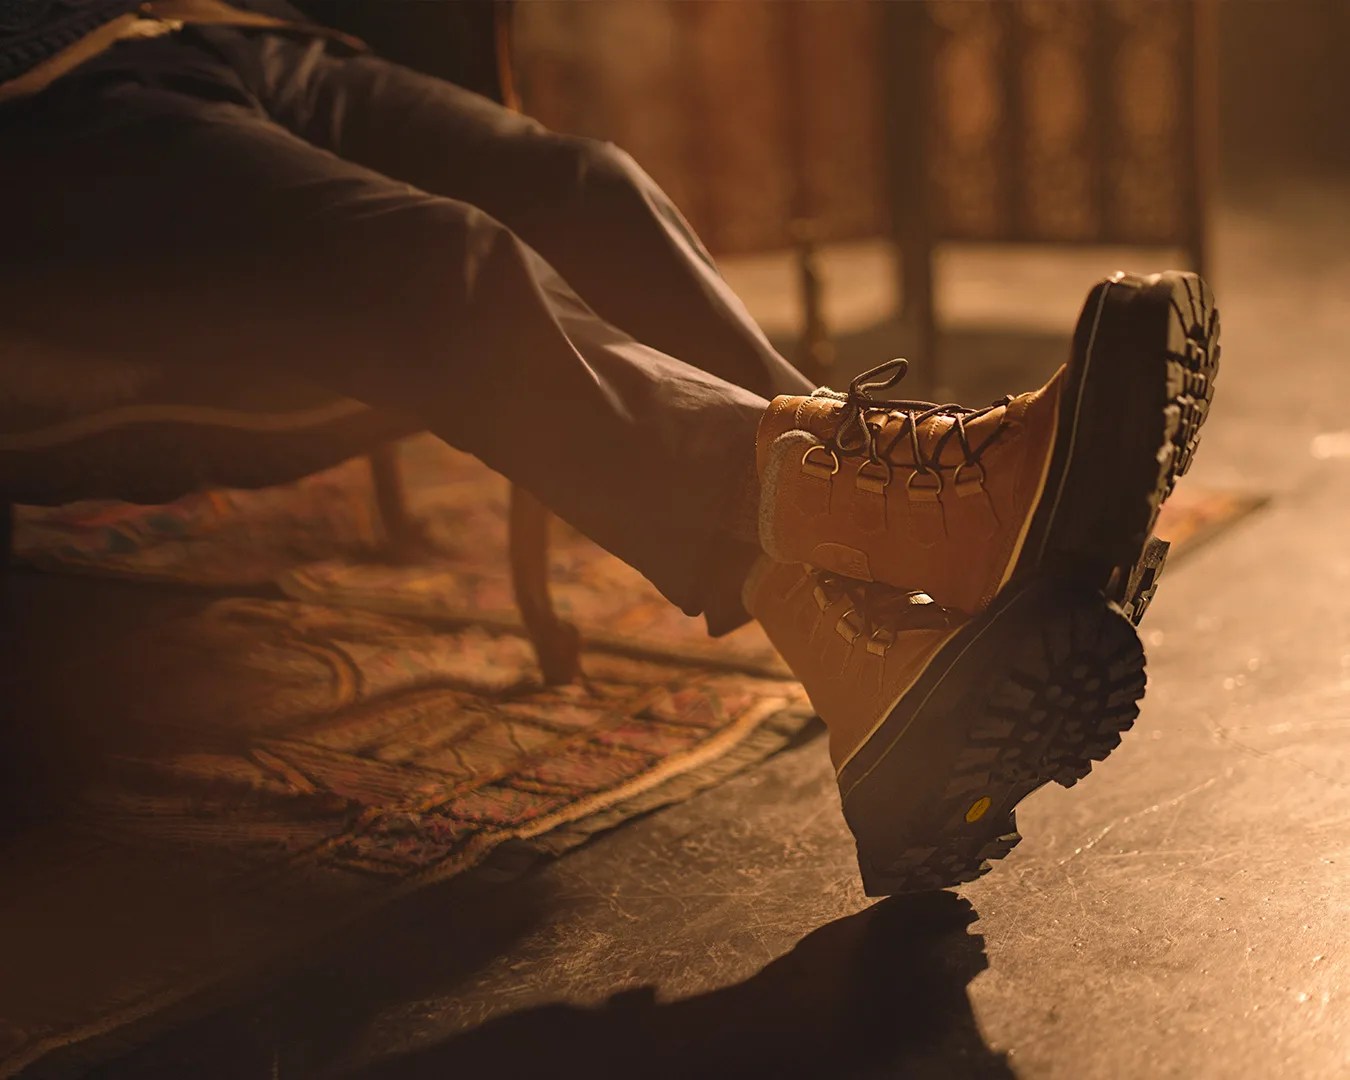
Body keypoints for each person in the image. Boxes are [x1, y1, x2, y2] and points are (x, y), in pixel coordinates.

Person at [0, 0, 1219, 894]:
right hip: (42, 106)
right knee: (441, 264)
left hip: (228, 32)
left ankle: (874, 647)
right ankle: (908, 520)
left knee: (591, 191)